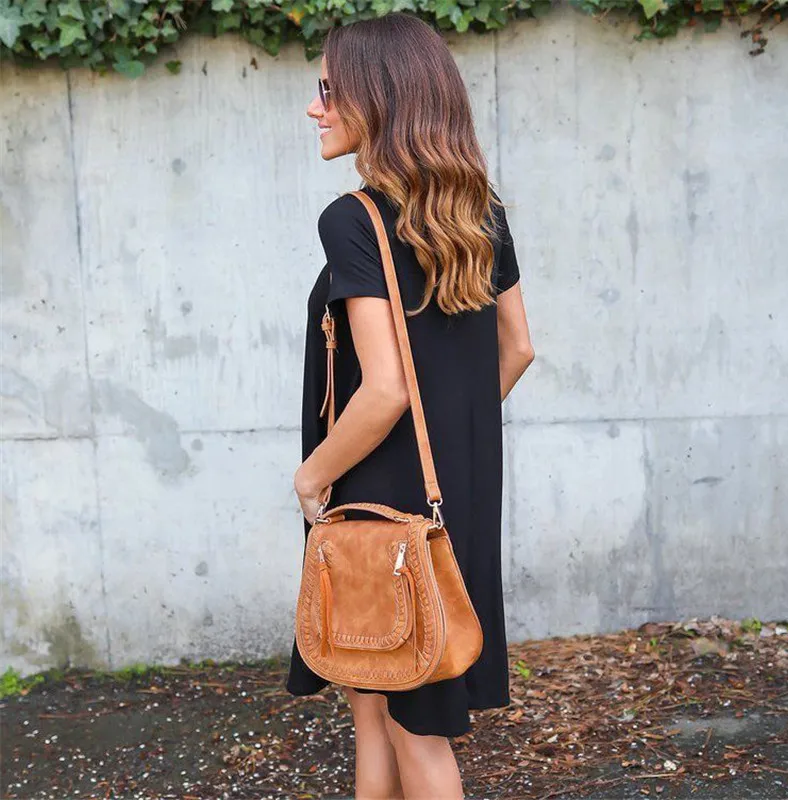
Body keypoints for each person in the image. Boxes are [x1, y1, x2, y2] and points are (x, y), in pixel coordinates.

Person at [285, 11, 535, 800]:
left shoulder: (352, 220)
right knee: (377, 705)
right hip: (451, 494)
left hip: (379, 500)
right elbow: (517, 347)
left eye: (329, 90)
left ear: (379, 96)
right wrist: (456, 436)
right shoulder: (478, 211)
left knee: (412, 729)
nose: (315, 107)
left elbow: (386, 388)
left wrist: (310, 476)